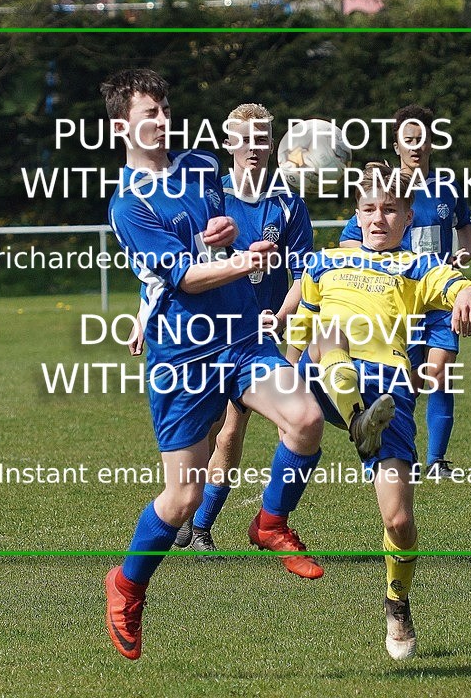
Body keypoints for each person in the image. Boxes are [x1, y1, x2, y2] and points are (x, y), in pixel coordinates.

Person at [102, 68, 326, 661]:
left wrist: (226, 234)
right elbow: (184, 275)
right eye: (149, 112)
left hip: (241, 334)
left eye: (165, 106)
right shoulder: (128, 205)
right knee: (180, 500)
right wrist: (243, 261)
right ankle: (127, 585)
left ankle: (269, 523)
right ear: (122, 125)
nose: (162, 119)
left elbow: (214, 235)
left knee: (304, 418)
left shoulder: (202, 166)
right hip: (182, 355)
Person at [287, 162, 471, 660]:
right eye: (370, 209)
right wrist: (281, 377)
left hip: (390, 391)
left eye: (390, 209)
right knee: (328, 336)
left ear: (408, 217)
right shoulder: (323, 262)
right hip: (327, 376)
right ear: (357, 213)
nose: (379, 218)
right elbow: (302, 328)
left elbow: (461, 284)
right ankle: (357, 418)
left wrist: (470, 296)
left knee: (397, 521)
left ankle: (397, 602)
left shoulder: (418, 268)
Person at [174, 102, 315, 555]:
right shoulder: (209, 196)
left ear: (273, 145)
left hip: (258, 337)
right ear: (228, 142)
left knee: (234, 430)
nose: (253, 148)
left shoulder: (288, 203)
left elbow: (303, 275)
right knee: (207, 429)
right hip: (209, 331)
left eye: (262, 139)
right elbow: (179, 265)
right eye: (245, 139)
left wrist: (283, 315)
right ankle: (183, 510)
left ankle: (200, 526)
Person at [340, 105, 471, 480]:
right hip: (398, 301)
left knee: (441, 372)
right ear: (397, 143)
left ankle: (437, 460)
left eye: (422, 139)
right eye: (408, 139)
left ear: (433, 141)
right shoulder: (386, 191)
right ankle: (393, 453)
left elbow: (465, 226)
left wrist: (465, 253)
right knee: (400, 379)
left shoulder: (448, 186)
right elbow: (350, 240)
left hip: (439, 299)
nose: (415, 147)